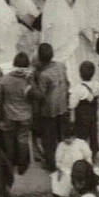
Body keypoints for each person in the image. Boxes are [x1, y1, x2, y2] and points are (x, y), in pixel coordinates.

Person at [34, 42, 70, 171]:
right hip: (63, 106)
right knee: (62, 137)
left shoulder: (44, 75)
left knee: (49, 140)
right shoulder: (61, 66)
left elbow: (40, 94)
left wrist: (29, 86)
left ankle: (51, 164)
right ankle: (65, 161)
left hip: (49, 111)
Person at [0, 52, 34, 175]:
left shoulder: (5, 80)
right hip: (25, 115)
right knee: (23, 140)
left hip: (9, 115)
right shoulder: (28, 81)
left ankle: (10, 165)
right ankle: (22, 166)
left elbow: (0, 100)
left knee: (9, 141)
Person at [51, 122, 93, 197]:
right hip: (65, 168)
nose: (67, 140)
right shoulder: (61, 145)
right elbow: (58, 160)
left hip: (79, 169)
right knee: (62, 179)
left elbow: (88, 156)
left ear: (74, 137)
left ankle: (79, 194)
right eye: (65, 138)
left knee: (79, 180)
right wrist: (59, 168)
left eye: (69, 138)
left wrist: (88, 167)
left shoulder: (81, 143)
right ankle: (63, 196)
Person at [70, 60, 99, 159]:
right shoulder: (97, 85)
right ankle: (94, 153)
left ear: (80, 74)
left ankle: (81, 155)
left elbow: (72, 105)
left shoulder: (77, 88)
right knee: (93, 134)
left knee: (81, 137)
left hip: (81, 118)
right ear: (93, 73)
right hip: (93, 116)